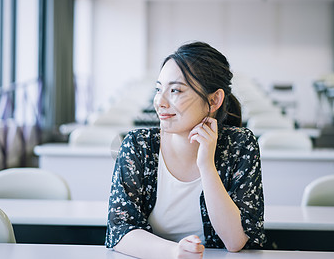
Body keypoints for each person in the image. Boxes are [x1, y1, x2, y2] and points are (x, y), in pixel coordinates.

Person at [105, 41, 265, 258]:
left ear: (214, 99)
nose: (160, 101)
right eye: (158, 89)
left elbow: (236, 240)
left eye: (175, 90)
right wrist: (175, 252)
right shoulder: (137, 146)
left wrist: (206, 166)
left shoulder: (240, 146)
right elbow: (120, 231)